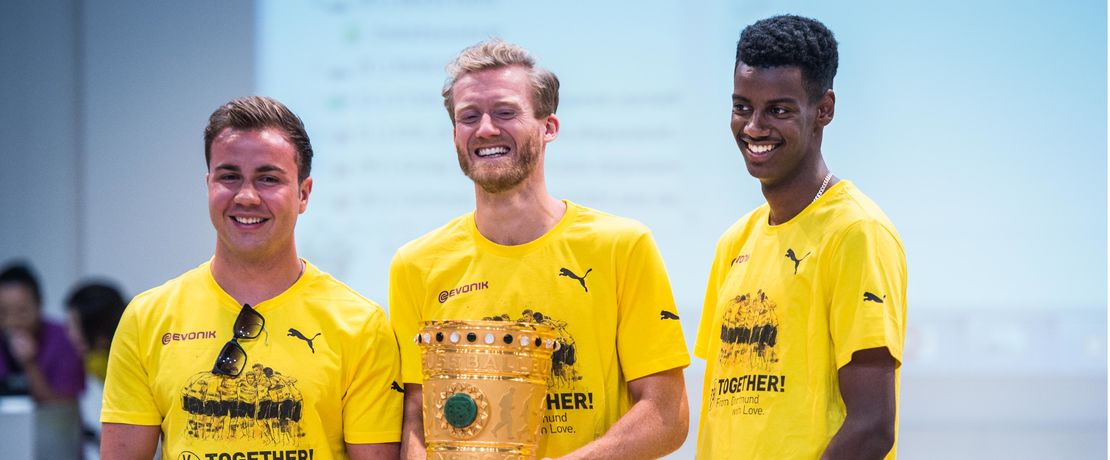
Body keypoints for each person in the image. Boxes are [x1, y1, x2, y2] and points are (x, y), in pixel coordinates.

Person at [389, 38, 690, 460]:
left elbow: (667, 415)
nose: (486, 129)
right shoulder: (416, 265)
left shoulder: (621, 245)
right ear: (455, 134)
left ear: (549, 127)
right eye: (468, 117)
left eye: (506, 112)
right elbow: (417, 418)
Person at [100, 96, 404, 459]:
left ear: (303, 194)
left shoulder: (362, 326)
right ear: (208, 184)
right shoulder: (146, 318)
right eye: (229, 177)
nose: (246, 196)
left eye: (268, 179)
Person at [694, 15, 908, 459]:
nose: (754, 126)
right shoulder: (734, 243)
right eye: (742, 106)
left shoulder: (856, 232)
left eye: (779, 110)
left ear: (824, 110)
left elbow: (871, 427)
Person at [0, 261, 86, 459]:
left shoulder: (65, 339)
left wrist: (29, 364)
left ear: (39, 305)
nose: (12, 321)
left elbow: (60, 410)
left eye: (21, 312)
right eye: (3, 313)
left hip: (57, 448)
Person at [65, 281, 128, 459]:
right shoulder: (95, 361)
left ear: (100, 334)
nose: (70, 334)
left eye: (75, 326)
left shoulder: (132, 361)